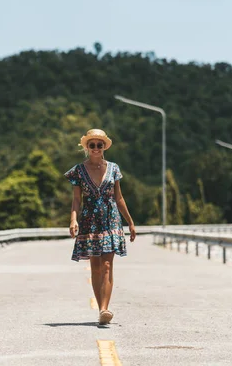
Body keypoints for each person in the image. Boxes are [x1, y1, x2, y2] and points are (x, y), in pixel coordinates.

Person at [64, 128, 136, 325]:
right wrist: (73, 219)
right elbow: (76, 200)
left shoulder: (114, 168)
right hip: (89, 222)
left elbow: (119, 198)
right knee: (95, 266)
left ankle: (105, 309)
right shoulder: (78, 171)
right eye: (92, 145)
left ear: (104, 147)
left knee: (107, 265)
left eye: (99, 145)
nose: (96, 148)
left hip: (111, 220)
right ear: (87, 148)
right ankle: (101, 308)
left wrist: (130, 222)